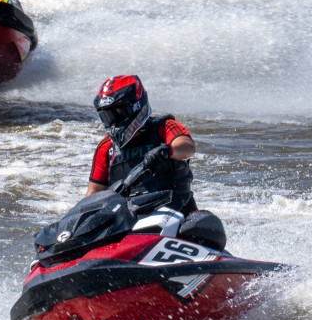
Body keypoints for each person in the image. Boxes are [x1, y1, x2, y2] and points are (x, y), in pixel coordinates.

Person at [86, 75, 226, 250]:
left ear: (136, 107)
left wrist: (167, 150)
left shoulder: (163, 127)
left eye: (118, 113)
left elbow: (187, 146)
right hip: (127, 223)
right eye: (107, 117)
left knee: (201, 226)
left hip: (176, 215)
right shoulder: (106, 148)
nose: (113, 123)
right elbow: (94, 193)